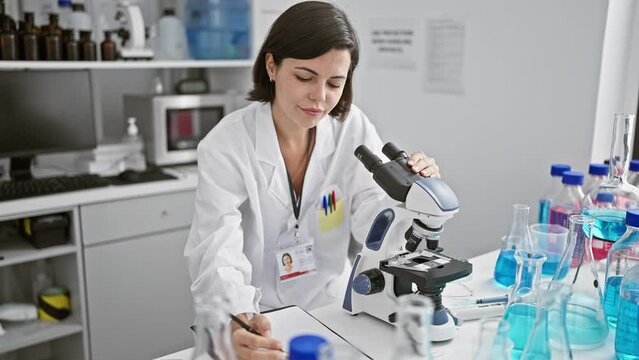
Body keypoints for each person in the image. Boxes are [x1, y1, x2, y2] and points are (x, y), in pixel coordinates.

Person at [184, 2, 440, 359]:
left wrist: (409, 198)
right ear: (272, 66)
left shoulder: (352, 128)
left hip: (334, 310)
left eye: (335, 83)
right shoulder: (226, 144)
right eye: (305, 77)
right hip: (258, 318)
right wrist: (236, 318)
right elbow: (217, 248)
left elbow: (373, 222)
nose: (320, 98)